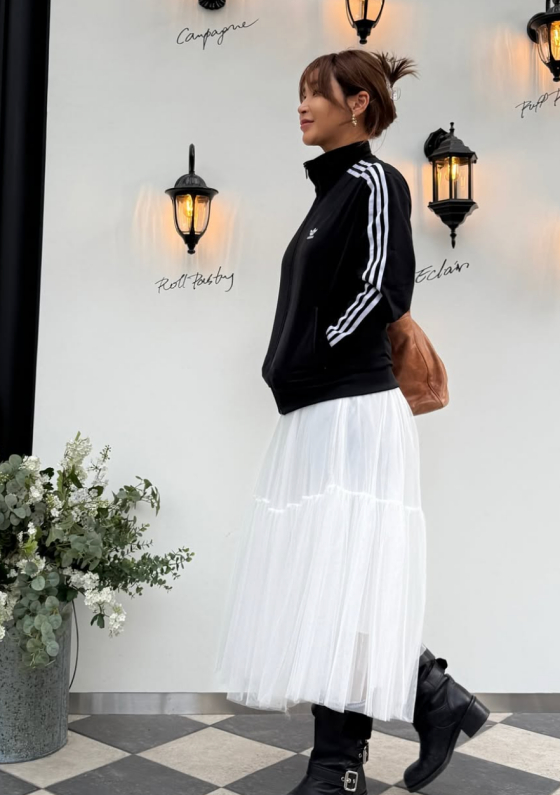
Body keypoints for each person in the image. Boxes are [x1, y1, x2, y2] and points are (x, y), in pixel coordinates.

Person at [214, 49, 489, 795]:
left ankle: (339, 766)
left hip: (354, 407)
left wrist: (318, 352)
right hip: (317, 409)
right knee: (331, 580)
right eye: (300, 92)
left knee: (342, 578)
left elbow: (384, 286)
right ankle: (432, 696)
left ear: (358, 103)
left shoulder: (374, 181)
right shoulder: (331, 193)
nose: (302, 105)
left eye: (316, 92)